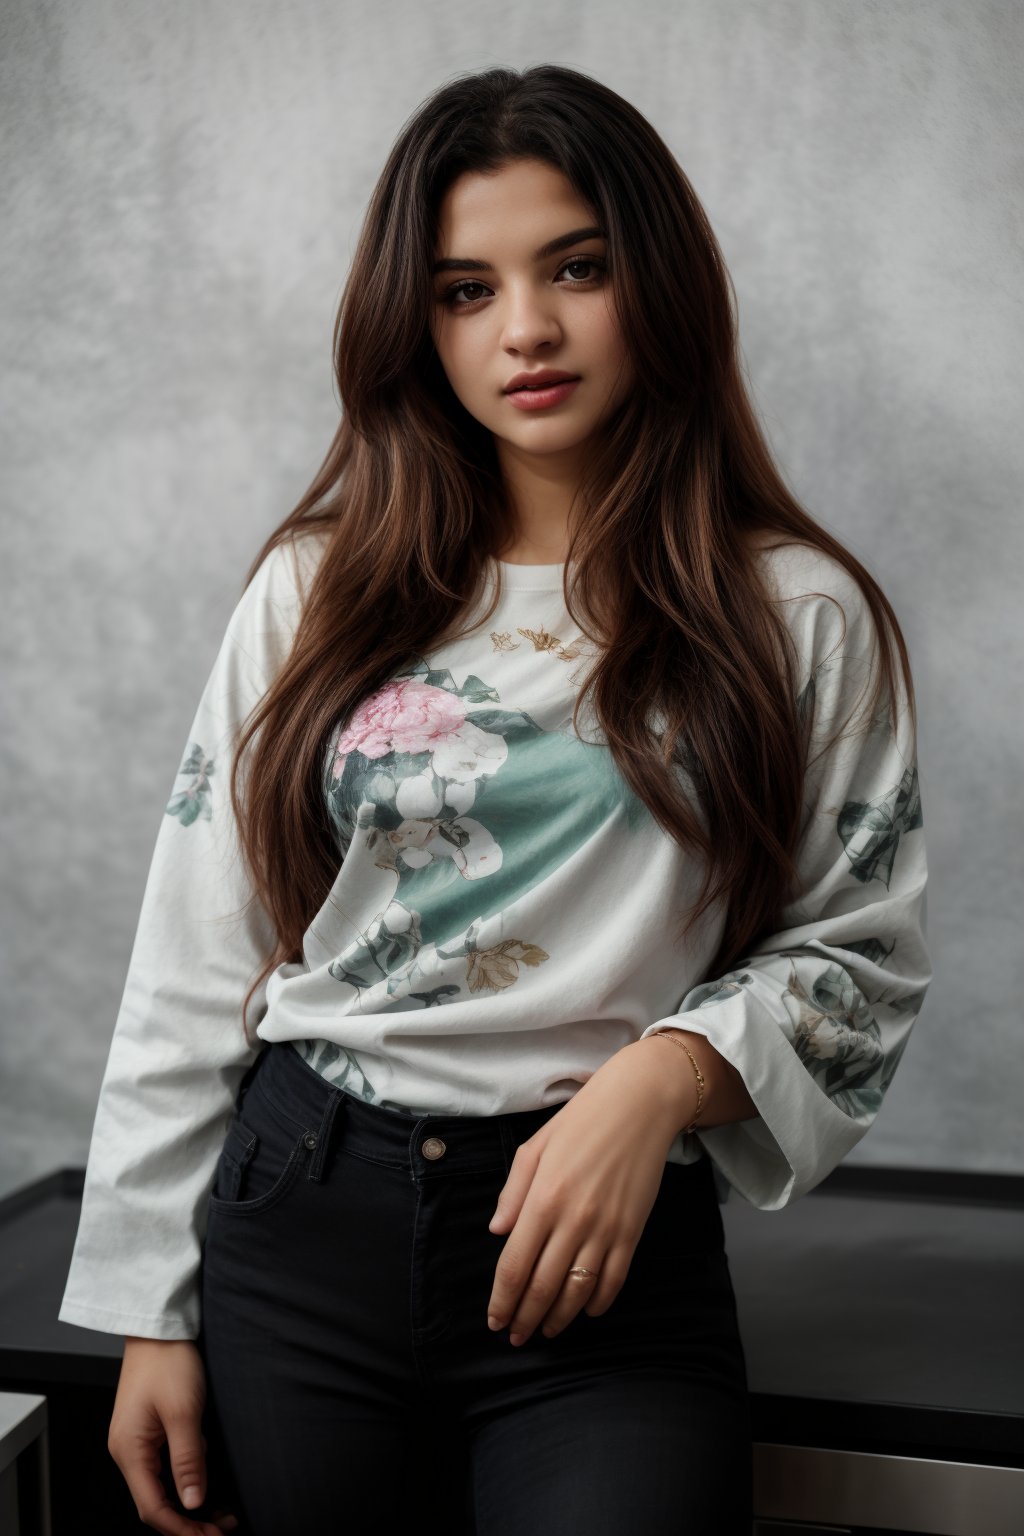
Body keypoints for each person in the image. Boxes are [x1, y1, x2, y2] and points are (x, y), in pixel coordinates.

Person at [58, 63, 930, 1536]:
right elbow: (198, 953)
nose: (524, 327)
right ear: (418, 325)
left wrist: (662, 1082)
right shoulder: (317, 588)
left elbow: (863, 956)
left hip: (600, 1256)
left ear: (655, 278)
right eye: (466, 290)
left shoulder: (798, 613)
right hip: (300, 1218)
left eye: (575, 268)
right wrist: (151, 1304)